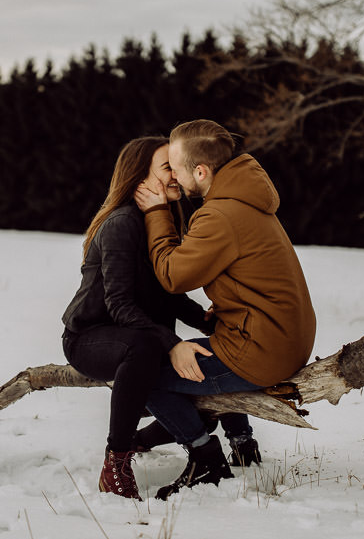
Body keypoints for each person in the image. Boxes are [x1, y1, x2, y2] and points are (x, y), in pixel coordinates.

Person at [61, 136, 258, 501]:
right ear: (140, 178)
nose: (177, 175)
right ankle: (116, 463)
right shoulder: (123, 224)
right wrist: (173, 343)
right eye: (167, 167)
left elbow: (167, 291)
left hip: (141, 337)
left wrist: (208, 321)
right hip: (92, 337)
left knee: (212, 352)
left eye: (176, 167)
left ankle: (237, 437)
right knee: (148, 349)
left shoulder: (164, 218)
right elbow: (119, 304)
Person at [134, 119, 316, 500]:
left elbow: (171, 275)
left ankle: (205, 457)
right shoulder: (244, 199)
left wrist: (156, 213)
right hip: (280, 339)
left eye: (177, 169)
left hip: (261, 350)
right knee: (205, 345)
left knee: (141, 377)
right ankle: (242, 441)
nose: (176, 179)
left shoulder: (219, 215)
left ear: (200, 171)